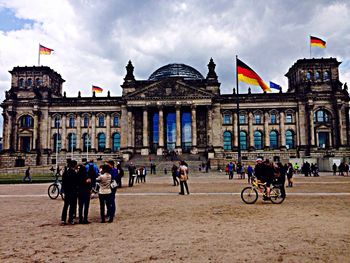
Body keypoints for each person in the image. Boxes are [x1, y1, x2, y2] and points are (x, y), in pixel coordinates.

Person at [61, 160, 78, 225]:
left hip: (67, 192)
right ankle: (70, 219)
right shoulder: (74, 173)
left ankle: (63, 220)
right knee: (72, 206)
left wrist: (64, 191)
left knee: (65, 206)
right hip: (73, 191)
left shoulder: (65, 173)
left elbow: (63, 183)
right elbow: (77, 183)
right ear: (75, 165)